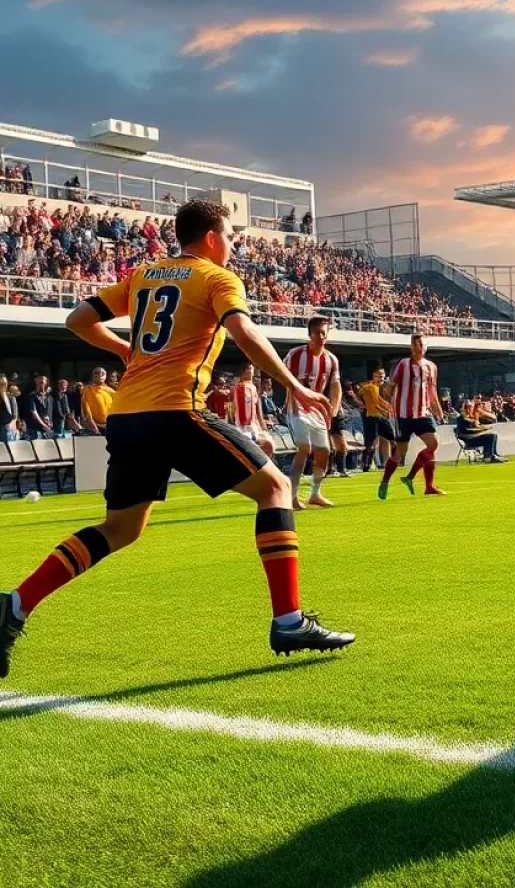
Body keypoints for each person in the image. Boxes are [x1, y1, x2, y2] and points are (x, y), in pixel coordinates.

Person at [0, 198, 353, 679]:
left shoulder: (145, 274)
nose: (232, 245)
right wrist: (294, 385)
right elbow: (244, 330)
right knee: (275, 488)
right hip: (175, 409)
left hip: (127, 416)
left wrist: (127, 349)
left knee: (120, 529)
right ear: (210, 238)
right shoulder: (217, 278)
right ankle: (289, 620)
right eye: (229, 236)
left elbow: (77, 320)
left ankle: (16, 604)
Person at [379, 333, 445, 499]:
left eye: (420, 345)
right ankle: (385, 481)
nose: (417, 349)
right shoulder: (403, 365)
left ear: (425, 347)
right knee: (400, 452)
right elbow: (390, 387)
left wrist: (438, 409)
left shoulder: (431, 367)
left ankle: (424, 484)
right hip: (403, 416)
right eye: (414, 345)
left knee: (433, 445)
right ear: (411, 347)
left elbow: (432, 390)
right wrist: (386, 404)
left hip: (423, 413)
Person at [284, 317, 341, 509]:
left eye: (324, 332)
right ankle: (291, 496)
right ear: (310, 334)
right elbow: (286, 381)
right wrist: (291, 403)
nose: (321, 336)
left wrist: (334, 408)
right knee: (304, 448)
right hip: (297, 408)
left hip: (317, 412)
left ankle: (315, 494)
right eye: (317, 332)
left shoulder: (331, 359)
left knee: (324, 451)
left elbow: (335, 385)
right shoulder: (295, 355)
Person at [230, 363, 274, 458]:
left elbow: (258, 413)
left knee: (267, 445)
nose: (255, 378)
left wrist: (263, 429)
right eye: (250, 373)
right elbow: (231, 410)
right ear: (243, 373)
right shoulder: (236, 389)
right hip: (239, 428)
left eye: (258, 376)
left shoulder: (254, 391)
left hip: (252, 428)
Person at [357, 368, 395, 474]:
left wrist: (389, 408)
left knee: (388, 438)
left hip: (382, 415)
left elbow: (381, 400)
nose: (380, 378)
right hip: (372, 415)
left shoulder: (384, 387)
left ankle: (387, 462)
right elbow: (376, 402)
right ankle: (369, 464)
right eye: (378, 376)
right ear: (373, 376)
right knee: (373, 440)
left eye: (382, 376)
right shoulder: (370, 387)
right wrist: (387, 409)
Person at [80, 367, 116, 436]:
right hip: (94, 426)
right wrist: (91, 422)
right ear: (93, 376)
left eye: (103, 373)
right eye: (97, 373)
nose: (100, 375)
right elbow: (86, 409)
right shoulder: (87, 390)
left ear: (105, 376)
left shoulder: (110, 390)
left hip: (111, 424)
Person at [24, 375, 55, 440]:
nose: (40, 384)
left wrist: (50, 422)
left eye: (42, 382)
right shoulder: (32, 396)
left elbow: (51, 411)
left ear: (46, 383)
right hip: (35, 429)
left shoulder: (50, 397)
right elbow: (34, 413)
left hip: (47, 428)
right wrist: (44, 425)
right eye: (39, 382)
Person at [0, 374, 19, 442]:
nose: (3, 385)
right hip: (2, 428)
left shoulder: (10, 396)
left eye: (4, 383)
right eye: (1, 383)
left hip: (12, 429)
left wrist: (13, 423)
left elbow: (15, 414)